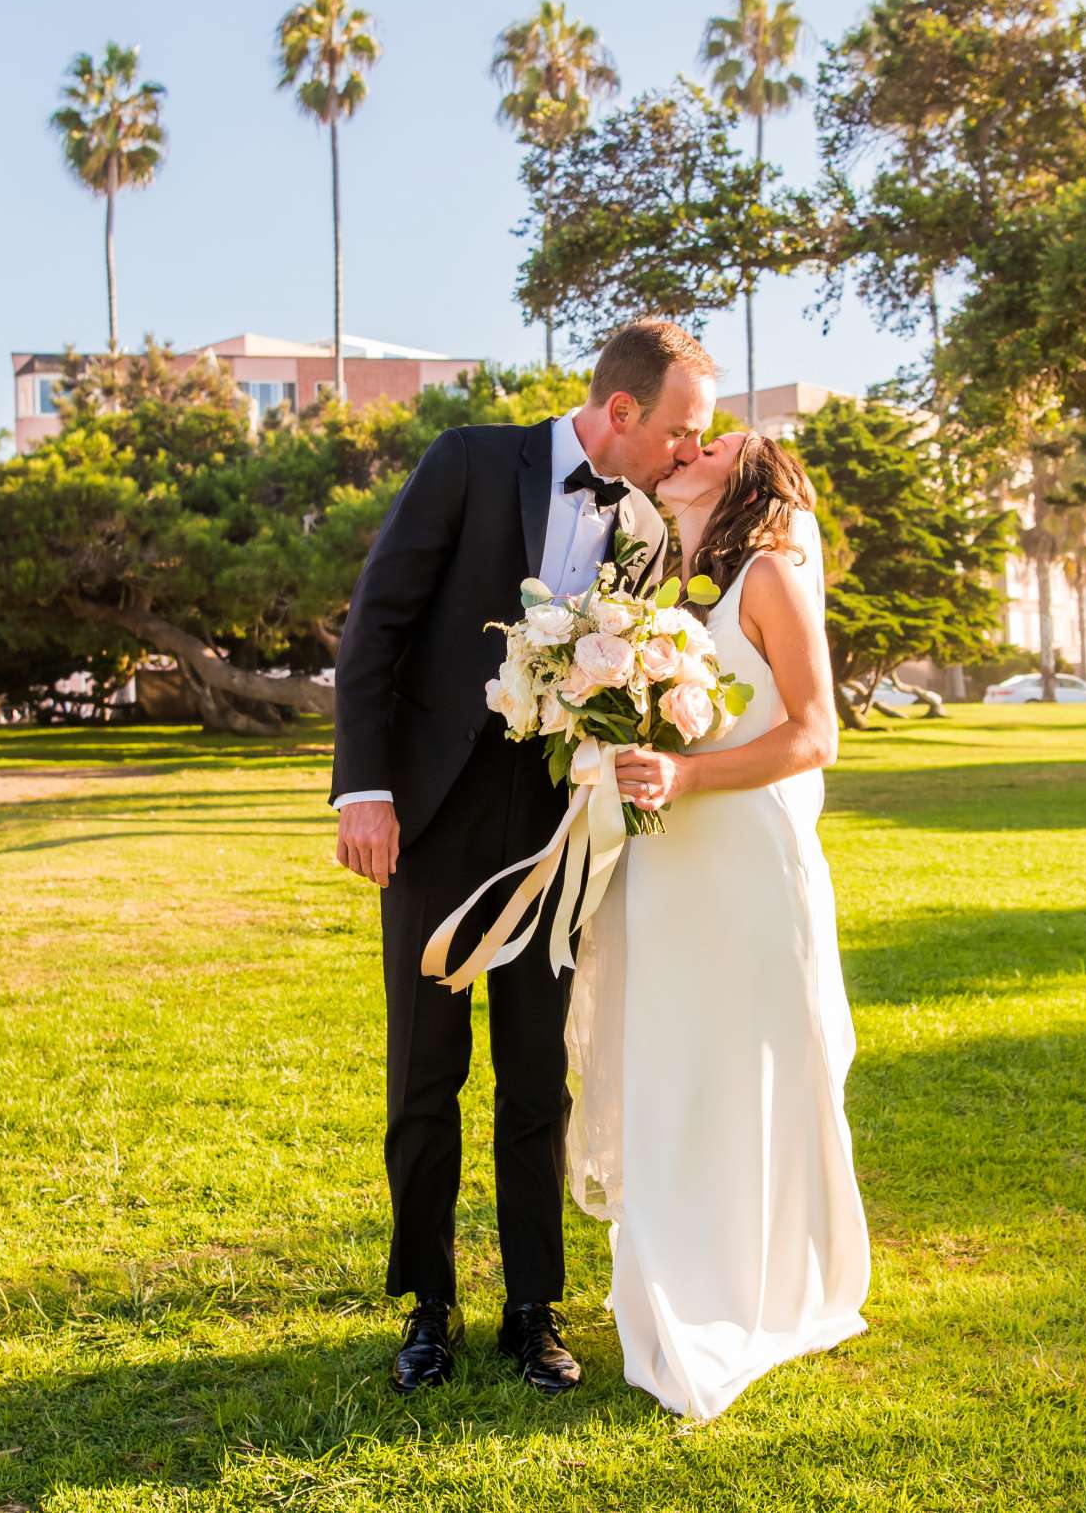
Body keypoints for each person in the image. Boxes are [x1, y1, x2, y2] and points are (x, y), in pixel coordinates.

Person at [330, 319, 709, 1396]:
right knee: (425, 1071)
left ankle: (534, 1309)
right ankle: (428, 1306)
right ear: (622, 413)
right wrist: (364, 790)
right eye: (680, 430)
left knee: (537, 1075)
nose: (687, 451)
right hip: (430, 825)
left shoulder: (639, 528)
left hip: (554, 836)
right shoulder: (467, 461)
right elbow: (377, 628)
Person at [591, 434, 870, 1419]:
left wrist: (687, 774)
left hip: (746, 854)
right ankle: (673, 1269)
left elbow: (815, 732)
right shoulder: (653, 579)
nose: (687, 446)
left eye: (714, 442)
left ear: (748, 479)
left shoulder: (770, 575)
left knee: (754, 1065)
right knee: (675, 1062)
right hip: (668, 859)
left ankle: (767, 1286)